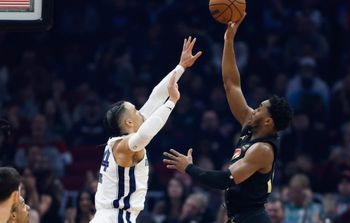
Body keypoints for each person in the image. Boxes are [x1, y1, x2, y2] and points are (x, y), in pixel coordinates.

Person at [163, 15, 293, 223]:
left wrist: (189, 167)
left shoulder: (263, 150)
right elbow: (231, 84)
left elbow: (226, 179)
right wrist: (228, 40)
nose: (254, 109)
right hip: (239, 217)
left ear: (268, 121)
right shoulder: (251, 125)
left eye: (260, 108)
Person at [90, 37, 202, 223]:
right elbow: (145, 135)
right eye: (135, 110)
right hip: (115, 218)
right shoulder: (124, 145)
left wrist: (181, 67)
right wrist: (172, 102)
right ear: (128, 123)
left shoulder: (119, 140)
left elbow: (155, 97)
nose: (140, 111)